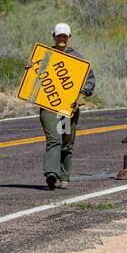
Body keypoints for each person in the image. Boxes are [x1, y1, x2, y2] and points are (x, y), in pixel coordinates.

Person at [37, 22, 94, 190]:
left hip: (67, 108)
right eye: (58, 36)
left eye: (64, 36)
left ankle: (64, 176)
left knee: (66, 141)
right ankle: (51, 173)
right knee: (54, 138)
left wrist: (82, 94)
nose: (61, 39)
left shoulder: (77, 58)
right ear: (53, 36)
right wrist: (30, 68)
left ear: (69, 37)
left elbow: (90, 79)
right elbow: (35, 77)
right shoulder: (45, 55)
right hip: (48, 105)